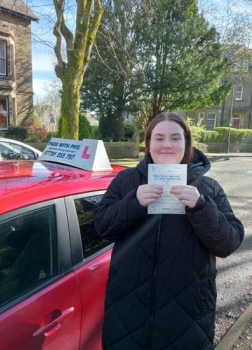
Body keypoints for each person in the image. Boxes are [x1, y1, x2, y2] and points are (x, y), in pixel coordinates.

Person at [93, 112, 244, 350]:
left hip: (187, 317)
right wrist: (133, 202)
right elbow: (102, 226)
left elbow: (228, 243)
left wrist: (201, 206)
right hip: (128, 313)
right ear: (149, 143)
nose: (166, 145)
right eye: (159, 138)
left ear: (186, 143)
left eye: (175, 138)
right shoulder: (125, 181)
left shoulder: (208, 188)